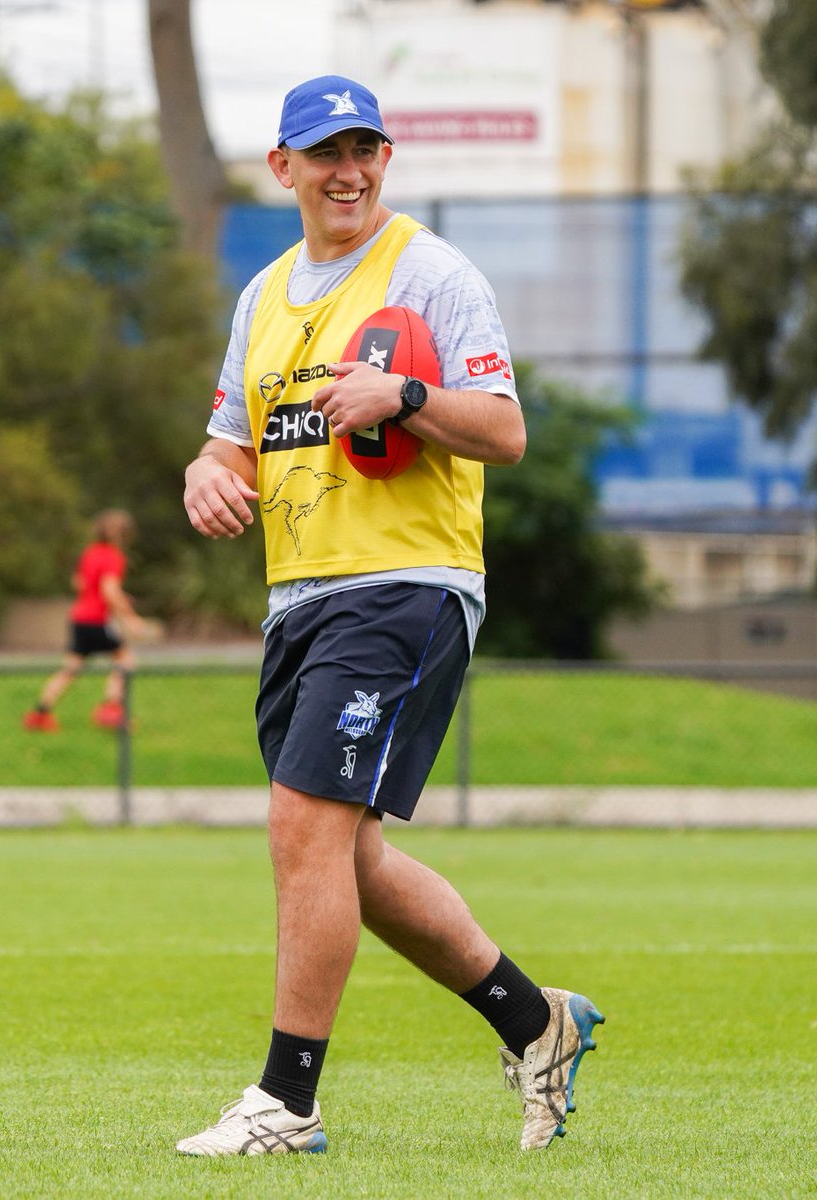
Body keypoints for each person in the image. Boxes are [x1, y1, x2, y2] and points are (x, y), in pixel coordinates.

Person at [176, 74, 603, 1157]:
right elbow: (233, 432)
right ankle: (534, 1021)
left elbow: (504, 430)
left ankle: (287, 1102)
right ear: (284, 169)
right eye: (325, 152)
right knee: (344, 859)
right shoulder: (265, 294)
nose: (349, 169)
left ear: (386, 158)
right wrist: (206, 471)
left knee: (301, 828)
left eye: (366, 147)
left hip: (406, 586)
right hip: (299, 598)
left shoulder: (430, 272)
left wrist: (404, 398)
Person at [22, 508, 153, 732]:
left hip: (79, 618)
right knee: (125, 661)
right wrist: (131, 618)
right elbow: (109, 590)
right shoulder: (113, 557)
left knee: (70, 669)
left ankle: (40, 713)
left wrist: (106, 596)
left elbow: (79, 583)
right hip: (98, 621)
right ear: (122, 535)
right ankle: (111, 710)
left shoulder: (90, 552)